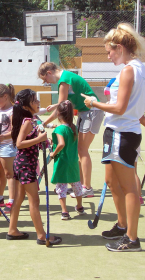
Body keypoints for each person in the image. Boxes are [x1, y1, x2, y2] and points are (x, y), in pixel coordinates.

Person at [82, 23, 145, 252]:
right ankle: (122, 224)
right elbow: (138, 110)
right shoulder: (138, 68)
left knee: (129, 188)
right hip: (120, 131)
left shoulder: (130, 70)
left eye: (109, 51)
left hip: (121, 132)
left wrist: (93, 102)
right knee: (111, 182)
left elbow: (119, 108)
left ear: (119, 47)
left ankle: (131, 239)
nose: (108, 56)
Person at [38, 62, 104, 198]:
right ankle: (79, 185)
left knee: (82, 150)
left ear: (49, 73)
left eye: (45, 79)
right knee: (79, 150)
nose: (46, 82)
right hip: (84, 113)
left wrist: (44, 123)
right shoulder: (65, 78)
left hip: (91, 112)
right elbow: (62, 105)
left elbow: (60, 109)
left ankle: (87, 188)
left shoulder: (64, 80)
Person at [7, 89, 61, 246]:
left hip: (22, 163)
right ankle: (41, 235)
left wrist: (43, 141)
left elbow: (31, 141)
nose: (38, 102)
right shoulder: (27, 122)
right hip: (26, 165)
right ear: (25, 106)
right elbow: (19, 143)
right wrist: (39, 138)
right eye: (34, 101)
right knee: (34, 201)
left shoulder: (31, 120)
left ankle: (12, 230)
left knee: (18, 198)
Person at [50, 100, 85, 220]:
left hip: (62, 161)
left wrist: (53, 153)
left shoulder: (59, 129)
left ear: (58, 114)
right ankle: (80, 206)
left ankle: (64, 211)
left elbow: (61, 144)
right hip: (73, 161)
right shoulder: (73, 127)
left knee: (61, 186)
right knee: (76, 184)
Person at [0, 83, 17, 213]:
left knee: (9, 174)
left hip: (8, 146)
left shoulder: (12, 111)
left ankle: (12, 201)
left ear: (5, 96)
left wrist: (4, 137)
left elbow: (15, 131)